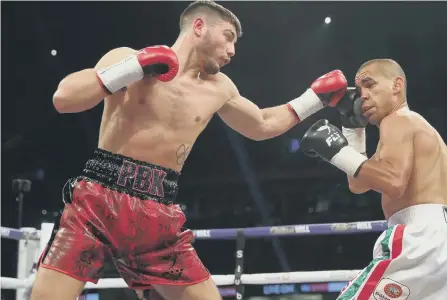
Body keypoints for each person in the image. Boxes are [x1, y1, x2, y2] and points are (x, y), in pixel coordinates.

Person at [30, 1, 352, 300]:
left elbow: (263, 123)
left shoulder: (220, 88)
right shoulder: (129, 58)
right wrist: (135, 67)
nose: (232, 50)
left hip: (158, 213)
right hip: (98, 200)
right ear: (199, 27)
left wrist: (316, 98)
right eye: (227, 38)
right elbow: (65, 97)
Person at [300, 59, 447, 300]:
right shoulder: (415, 125)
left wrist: (336, 150)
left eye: (369, 84)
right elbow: (359, 183)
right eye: (359, 89)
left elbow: (393, 183)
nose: (361, 95)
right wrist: (352, 127)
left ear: (397, 85)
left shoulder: (397, 120)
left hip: (422, 239)